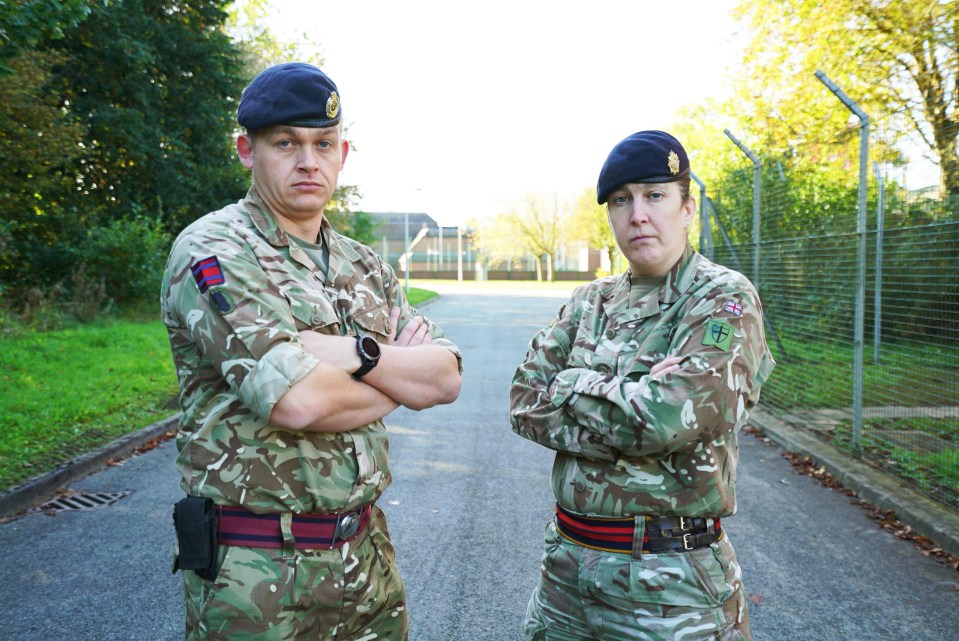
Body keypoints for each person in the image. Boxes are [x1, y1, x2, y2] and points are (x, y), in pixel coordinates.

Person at [161, 62, 462, 641]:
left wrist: (358, 353)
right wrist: (399, 376)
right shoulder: (215, 251)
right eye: (286, 144)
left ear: (343, 153)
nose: (308, 161)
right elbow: (296, 400)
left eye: (323, 144)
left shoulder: (364, 264)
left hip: (366, 556)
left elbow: (443, 378)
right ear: (247, 150)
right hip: (256, 571)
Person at [509, 130, 775, 641]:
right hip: (566, 573)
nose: (638, 214)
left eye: (655, 196)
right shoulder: (591, 301)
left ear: (687, 207)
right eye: (621, 200)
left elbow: (664, 421)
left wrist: (569, 382)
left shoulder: (721, 299)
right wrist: (628, 393)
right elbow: (523, 402)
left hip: (670, 583)